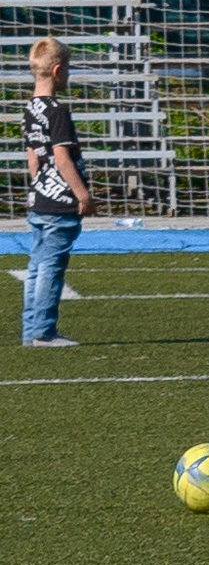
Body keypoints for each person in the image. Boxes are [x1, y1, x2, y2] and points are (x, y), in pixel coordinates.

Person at [20, 35, 91, 348]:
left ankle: (30, 330)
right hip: (60, 202)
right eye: (69, 69)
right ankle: (43, 332)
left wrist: (39, 185)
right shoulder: (57, 111)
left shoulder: (31, 108)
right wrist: (82, 194)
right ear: (57, 71)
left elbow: (33, 156)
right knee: (50, 267)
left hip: (40, 199)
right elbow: (61, 157)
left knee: (35, 267)